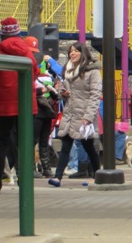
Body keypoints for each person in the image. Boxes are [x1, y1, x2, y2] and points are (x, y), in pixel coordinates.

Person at [0, 18, 39, 194]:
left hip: (4, 106)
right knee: (25, 144)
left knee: (1, 145)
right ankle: (25, 182)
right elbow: (34, 73)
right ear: (18, 32)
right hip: (26, 105)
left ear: (3, 33)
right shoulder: (27, 52)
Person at [48, 42, 103, 187]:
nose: (72, 54)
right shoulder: (68, 70)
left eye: (75, 51)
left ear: (82, 53)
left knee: (89, 147)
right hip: (70, 113)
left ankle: (98, 174)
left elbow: (95, 94)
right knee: (66, 145)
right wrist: (63, 93)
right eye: (70, 51)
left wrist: (89, 116)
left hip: (83, 114)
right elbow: (63, 91)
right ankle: (58, 177)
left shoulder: (93, 71)